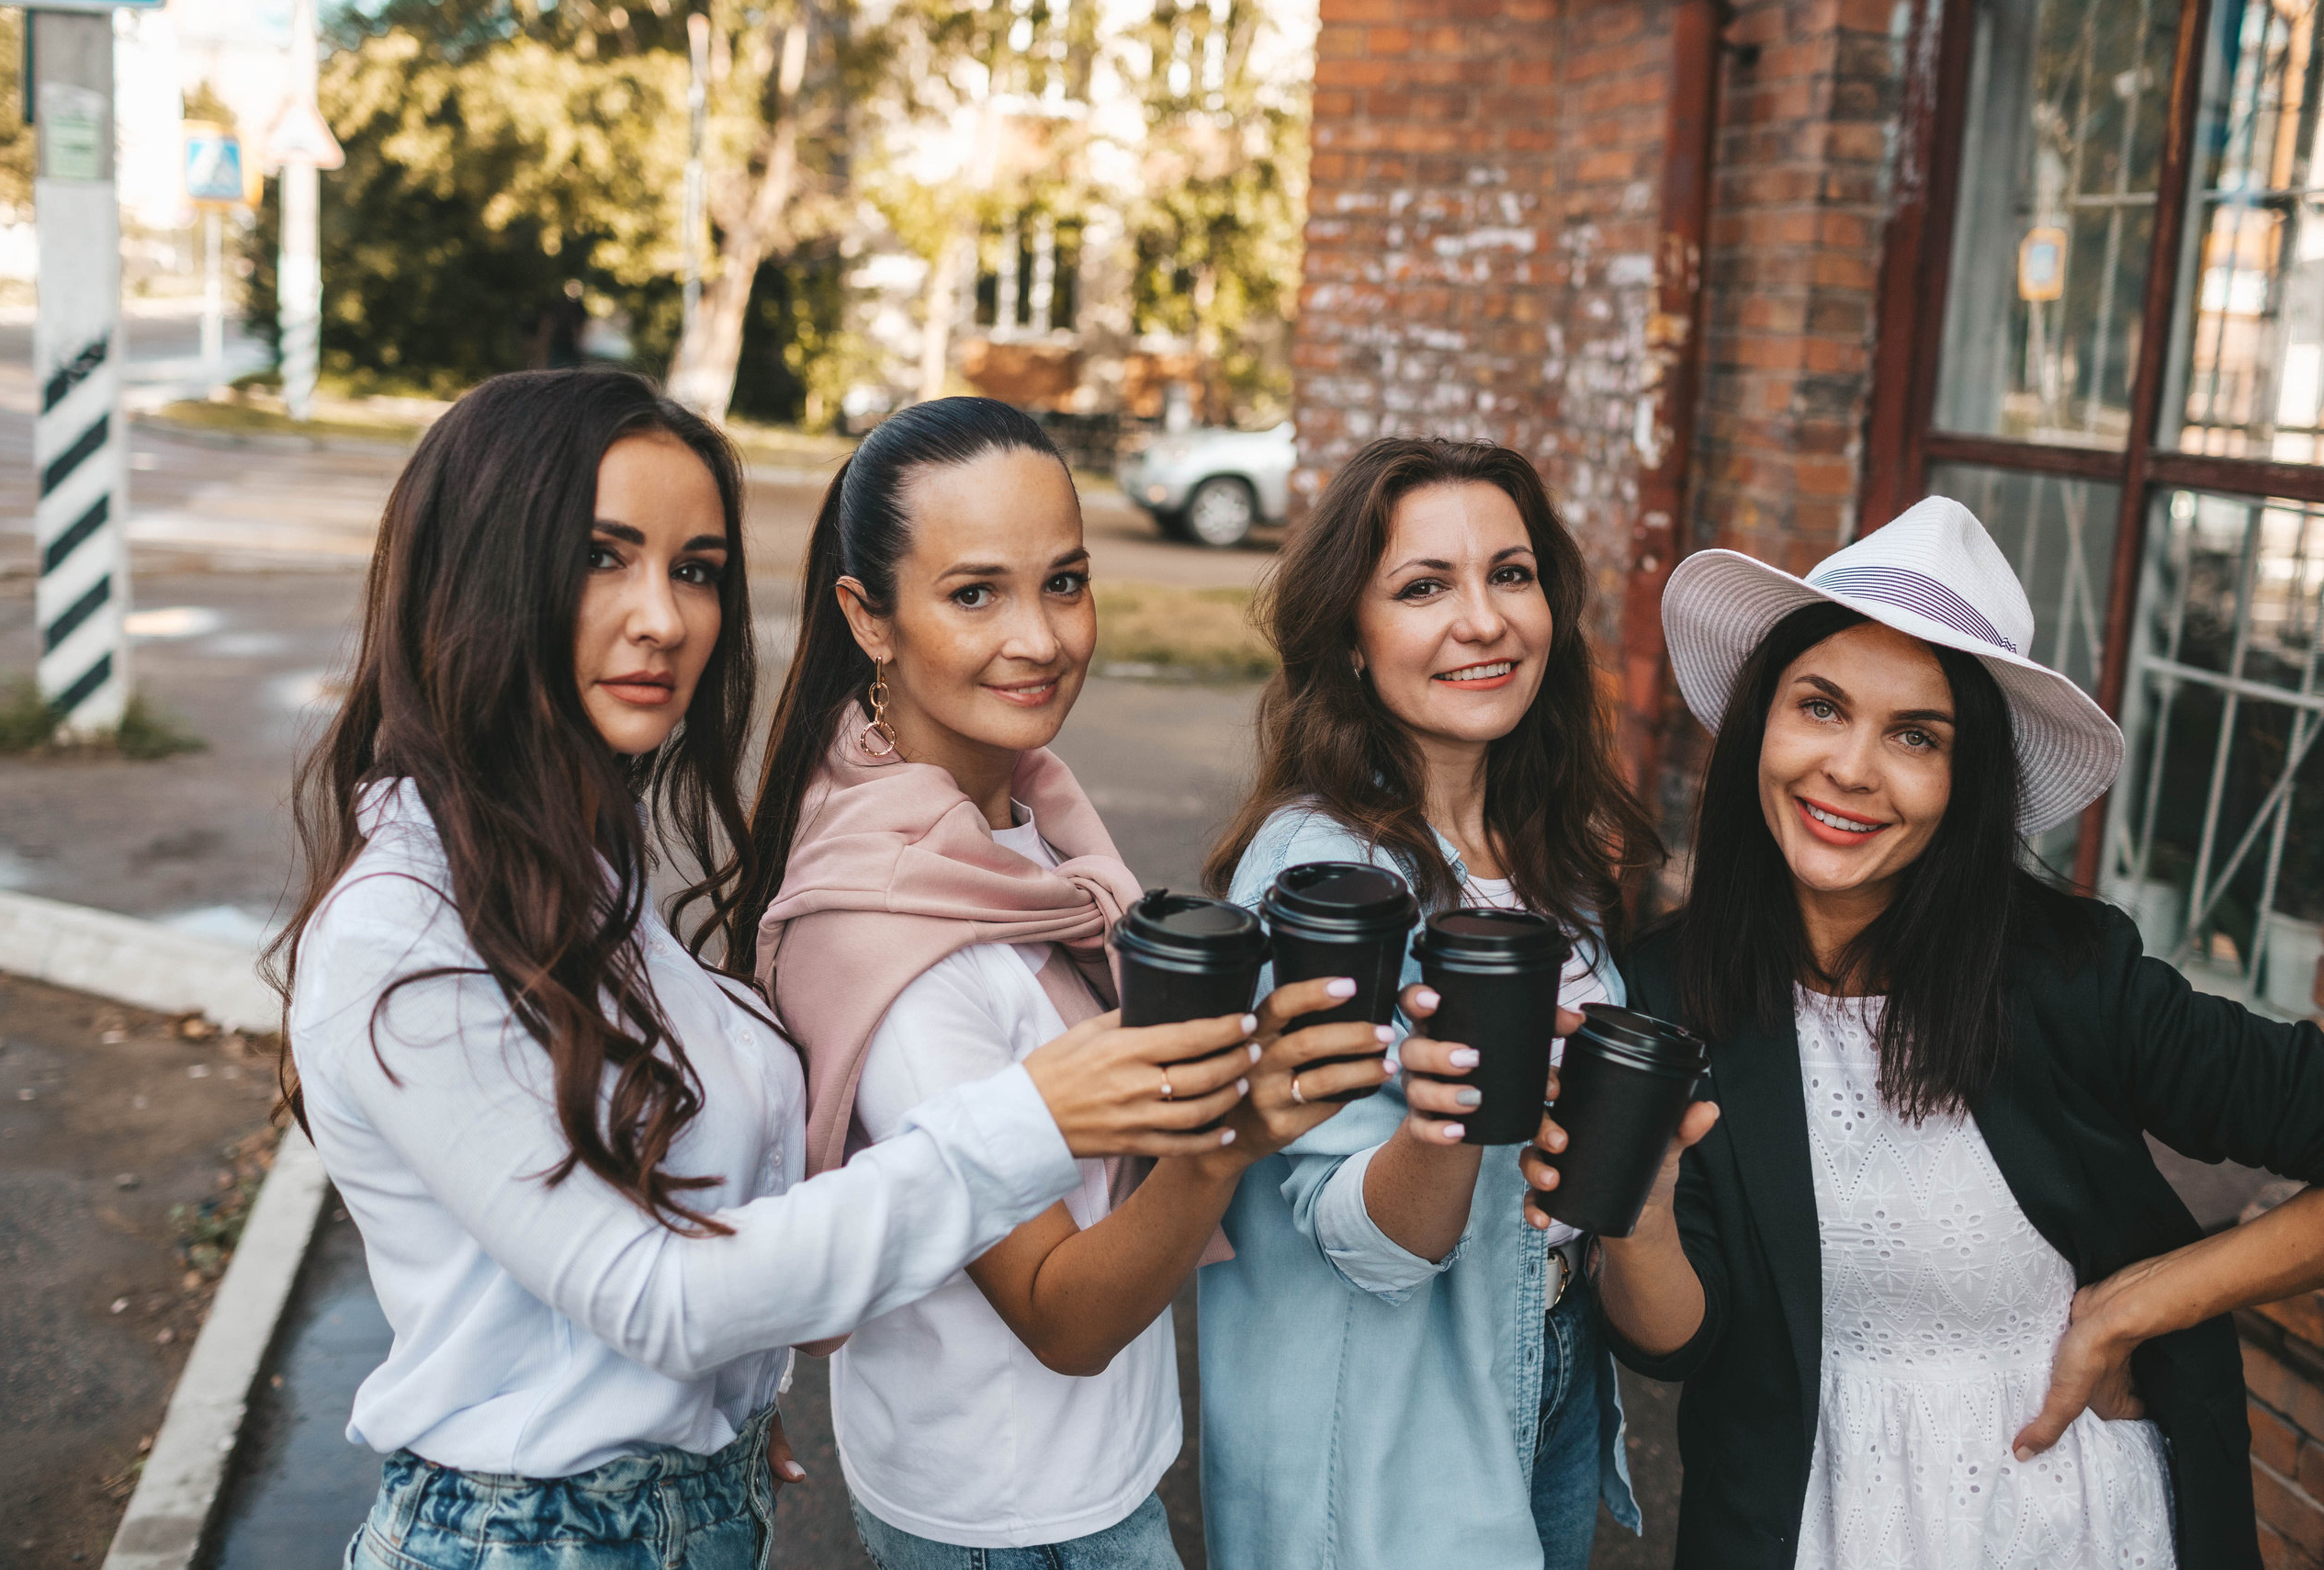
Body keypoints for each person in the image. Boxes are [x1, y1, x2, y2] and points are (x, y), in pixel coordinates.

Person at [275, 370, 1260, 1570]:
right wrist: (1034, 1116)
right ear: (478, 573)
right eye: (605, 556)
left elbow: (687, 1214)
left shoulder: (575, 870)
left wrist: (713, 1418)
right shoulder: (404, 930)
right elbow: (654, 1293)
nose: (666, 617)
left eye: (694, 568)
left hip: (679, 1516)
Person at [1551, 494, 2324, 1569]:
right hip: (1810, 1525)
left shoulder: (2069, 973)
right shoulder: (1670, 986)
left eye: (1915, 734)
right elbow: (1677, 1340)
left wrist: (2147, 1299)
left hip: (2072, 1521)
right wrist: (1635, 1211)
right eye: (1820, 707)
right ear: (1760, 723)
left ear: (1967, 785)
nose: (1852, 768)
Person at [733, 397, 1388, 1569]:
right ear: (866, 616)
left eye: (1066, 581)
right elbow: (1061, 1315)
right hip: (1017, 1516)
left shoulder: (1009, 820)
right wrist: (1226, 1137)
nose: (1039, 637)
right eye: (974, 592)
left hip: (1055, 1474)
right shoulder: (905, 937)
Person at [1194, 436, 1664, 1566]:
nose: (1487, 619)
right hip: (1384, 1436)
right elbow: (1364, 1240)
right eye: (1422, 587)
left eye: (1510, 573)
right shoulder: (1318, 882)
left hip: (1547, 1371)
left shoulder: (1545, 849)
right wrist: (1449, 1108)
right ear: (1350, 641)